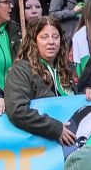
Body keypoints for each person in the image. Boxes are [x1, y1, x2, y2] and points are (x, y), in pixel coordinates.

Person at [5, 18, 78, 146]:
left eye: (55, 37)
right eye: (44, 37)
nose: (51, 42)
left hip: (70, 145)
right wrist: (55, 128)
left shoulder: (66, 69)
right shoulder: (22, 70)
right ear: (34, 41)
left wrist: (88, 95)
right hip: (41, 148)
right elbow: (17, 111)